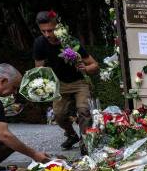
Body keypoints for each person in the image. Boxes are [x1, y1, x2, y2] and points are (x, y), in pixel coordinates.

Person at [33, 10, 99, 150]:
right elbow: (39, 69)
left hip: (79, 82)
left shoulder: (70, 41)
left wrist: (86, 69)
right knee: (59, 115)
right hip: (59, 84)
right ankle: (71, 135)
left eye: (50, 30)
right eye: (43, 31)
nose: (47, 34)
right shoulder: (39, 43)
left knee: (84, 111)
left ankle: (86, 142)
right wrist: (42, 84)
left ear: (57, 26)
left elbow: (95, 65)